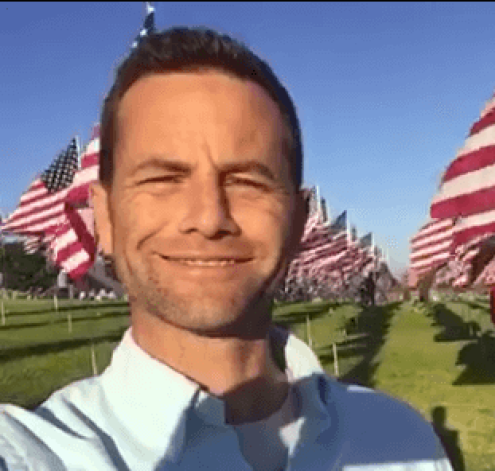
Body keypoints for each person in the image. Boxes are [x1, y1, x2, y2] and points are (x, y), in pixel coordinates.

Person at [0, 27, 451, 471]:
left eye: (246, 181)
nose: (209, 217)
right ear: (105, 219)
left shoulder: (400, 440)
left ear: (297, 222)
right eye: (162, 179)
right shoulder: (42, 451)